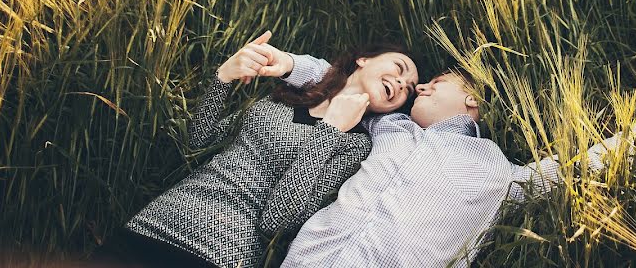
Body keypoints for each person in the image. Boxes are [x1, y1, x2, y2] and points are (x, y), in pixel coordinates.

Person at [279, 64, 636, 268]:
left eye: (435, 83)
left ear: (471, 103)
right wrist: (287, 63)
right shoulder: (388, 126)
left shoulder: (494, 170)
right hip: (309, 257)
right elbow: (351, 80)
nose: (419, 87)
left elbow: (584, 165)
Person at [97, 30, 419, 268]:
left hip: (219, 254)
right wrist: (222, 78)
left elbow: (277, 221)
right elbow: (198, 143)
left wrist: (329, 131)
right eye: (400, 67)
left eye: (407, 90)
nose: (402, 84)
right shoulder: (284, 97)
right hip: (155, 222)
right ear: (364, 60)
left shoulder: (356, 146)